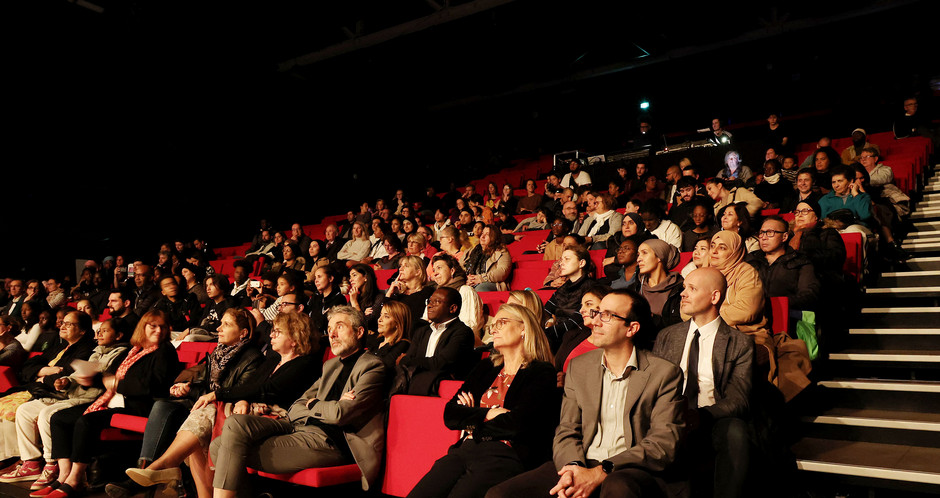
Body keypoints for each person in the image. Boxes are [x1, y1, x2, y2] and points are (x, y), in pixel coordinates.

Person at [487, 289, 684, 498]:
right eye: (597, 313)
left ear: (631, 328)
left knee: (618, 488)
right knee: (500, 494)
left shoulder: (664, 373)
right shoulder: (579, 367)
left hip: (629, 467)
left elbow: (663, 444)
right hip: (580, 461)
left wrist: (602, 471)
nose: (595, 321)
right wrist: (573, 468)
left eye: (607, 315)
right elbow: (567, 429)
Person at [112, 310, 318, 498]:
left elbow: (267, 390)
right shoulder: (272, 360)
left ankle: (161, 466)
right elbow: (254, 388)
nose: (271, 335)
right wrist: (205, 392)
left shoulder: (303, 363)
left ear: (295, 337)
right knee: (201, 415)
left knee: (209, 410)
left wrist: (217, 395)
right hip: (249, 410)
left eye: (278, 332)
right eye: (272, 331)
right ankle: (167, 470)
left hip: (279, 417)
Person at [208, 306, 387, 495]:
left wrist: (315, 404)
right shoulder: (331, 365)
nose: (332, 334)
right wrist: (323, 406)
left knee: (227, 449)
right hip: (299, 428)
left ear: (359, 332)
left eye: (340, 327)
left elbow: (340, 414)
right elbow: (296, 408)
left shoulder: (372, 366)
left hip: (331, 443)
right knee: (225, 437)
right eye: (330, 327)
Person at [408, 304, 558, 498]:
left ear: (524, 328)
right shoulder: (486, 367)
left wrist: (472, 421)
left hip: (505, 455)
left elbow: (519, 424)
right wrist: (489, 413)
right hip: (466, 448)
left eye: (502, 323)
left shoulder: (541, 371)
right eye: (492, 325)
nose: (493, 329)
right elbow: (451, 414)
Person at [38, 311, 182, 498]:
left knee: (86, 422)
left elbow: (154, 386)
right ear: (143, 327)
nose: (158, 330)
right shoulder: (136, 350)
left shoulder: (164, 350)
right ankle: (64, 474)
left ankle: (75, 479)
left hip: (144, 408)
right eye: (153, 325)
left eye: (162, 326)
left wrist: (115, 383)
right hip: (120, 401)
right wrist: (93, 378)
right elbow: (113, 379)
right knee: (59, 419)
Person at [653, 267, 754, 498]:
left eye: (692, 288)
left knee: (736, 431)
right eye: (683, 288)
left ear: (715, 297)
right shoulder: (667, 336)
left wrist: (701, 416)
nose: (682, 294)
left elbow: (739, 400)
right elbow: (653, 386)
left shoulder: (739, 343)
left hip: (711, 420)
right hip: (670, 418)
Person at [3, 319, 129, 490]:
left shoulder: (119, 353)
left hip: (89, 398)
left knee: (48, 415)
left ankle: (51, 464)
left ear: (119, 335)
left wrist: (75, 379)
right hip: (68, 392)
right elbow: (73, 374)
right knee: (25, 410)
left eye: (104, 331)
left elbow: (104, 380)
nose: (98, 334)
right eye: (98, 331)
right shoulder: (94, 350)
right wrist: (65, 381)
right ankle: (30, 462)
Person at [399, 287, 476, 395]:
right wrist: (409, 360)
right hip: (416, 383)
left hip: (443, 390)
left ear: (452, 308)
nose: (429, 305)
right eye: (429, 301)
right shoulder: (422, 331)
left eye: (436, 302)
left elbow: (441, 363)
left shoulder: (462, 332)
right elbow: (407, 360)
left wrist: (410, 360)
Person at [746, 217, 820, 310]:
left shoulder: (800, 261)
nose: (764, 238)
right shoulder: (751, 260)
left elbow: (809, 295)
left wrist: (774, 304)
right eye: (761, 233)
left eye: (770, 233)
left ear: (784, 237)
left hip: (787, 315)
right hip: (751, 314)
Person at [543, 247, 595, 352]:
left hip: (574, 336)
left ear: (581, 263)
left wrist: (546, 332)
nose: (561, 263)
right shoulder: (563, 288)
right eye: (561, 260)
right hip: (556, 333)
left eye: (567, 259)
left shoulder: (591, 288)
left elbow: (575, 322)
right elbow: (546, 310)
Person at [428, 253, 484, 340]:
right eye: (434, 270)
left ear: (452, 270)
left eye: (439, 268)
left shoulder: (465, 291)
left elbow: (469, 326)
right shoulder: (435, 296)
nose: (435, 274)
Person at [635, 240, 683, 329]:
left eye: (644, 253)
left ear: (659, 257)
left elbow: (678, 326)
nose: (638, 259)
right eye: (638, 255)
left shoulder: (680, 289)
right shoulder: (635, 288)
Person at [385, 255, 436, 324]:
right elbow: (383, 316)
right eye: (400, 266)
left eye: (406, 266)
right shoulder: (397, 294)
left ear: (418, 272)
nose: (400, 269)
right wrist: (389, 293)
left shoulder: (427, 292)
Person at [464, 225, 512, 292]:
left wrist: (481, 278)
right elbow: (462, 266)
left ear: (494, 238)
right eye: (482, 233)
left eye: (487, 234)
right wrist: (467, 278)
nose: (482, 237)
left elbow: (502, 271)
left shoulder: (502, 251)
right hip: (470, 281)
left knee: (479, 289)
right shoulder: (474, 250)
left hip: (491, 282)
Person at [308, 266, 346, 336]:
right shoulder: (315, 298)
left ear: (330, 278)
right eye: (315, 278)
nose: (316, 280)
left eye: (319, 277)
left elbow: (324, 324)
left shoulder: (339, 298)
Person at [348, 264, 384, 332]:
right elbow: (348, 319)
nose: (350, 280)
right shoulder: (355, 297)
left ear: (365, 277)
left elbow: (367, 324)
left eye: (354, 275)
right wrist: (363, 314)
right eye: (350, 276)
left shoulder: (379, 297)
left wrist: (354, 303)